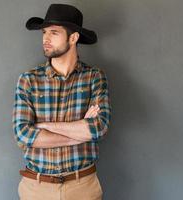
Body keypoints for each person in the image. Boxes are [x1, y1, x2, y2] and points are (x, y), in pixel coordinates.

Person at [12, 4, 111, 200]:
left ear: (73, 38)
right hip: (37, 188)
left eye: (54, 33)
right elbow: (23, 135)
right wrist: (79, 134)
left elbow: (98, 128)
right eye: (44, 32)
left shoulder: (94, 77)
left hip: (83, 186)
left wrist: (44, 126)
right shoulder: (28, 80)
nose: (45, 39)